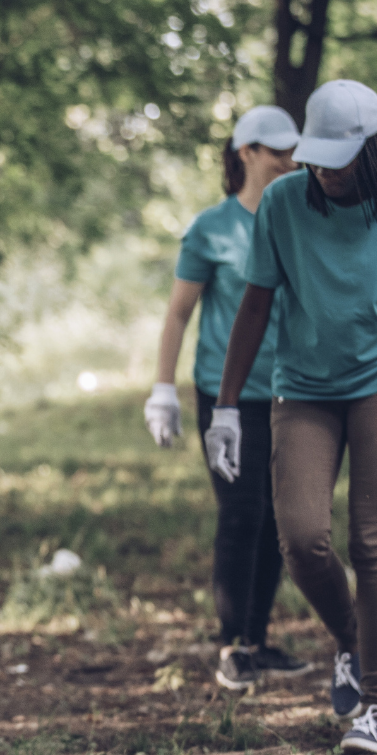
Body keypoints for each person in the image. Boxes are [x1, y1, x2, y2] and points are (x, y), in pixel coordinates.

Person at [208, 79, 377, 755]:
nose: (322, 171)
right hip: (303, 389)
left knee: (371, 540)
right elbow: (255, 306)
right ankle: (352, 640)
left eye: (337, 158)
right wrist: (227, 407)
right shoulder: (282, 203)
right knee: (302, 537)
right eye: (315, 157)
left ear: (371, 151)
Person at [146, 105, 311, 691]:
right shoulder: (211, 229)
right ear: (246, 153)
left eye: (295, 149)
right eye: (278, 150)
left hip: (293, 391)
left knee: (280, 521)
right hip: (227, 394)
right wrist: (162, 389)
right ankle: (230, 645)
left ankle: (258, 640)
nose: (291, 159)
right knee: (242, 513)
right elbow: (178, 313)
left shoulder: (299, 217)